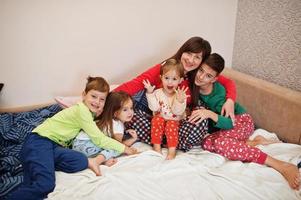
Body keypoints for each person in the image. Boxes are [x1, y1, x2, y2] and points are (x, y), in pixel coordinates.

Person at [7, 77, 137, 200]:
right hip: (40, 141)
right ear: (83, 94)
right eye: (93, 96)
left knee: (81, 160)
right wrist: (125, 148)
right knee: (45, 185)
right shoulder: (82, 112)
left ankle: (43, 162)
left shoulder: (89, 113)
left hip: (54, 146)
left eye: (102, 99)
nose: (97, 102)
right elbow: (99, 139)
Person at [188, 53, 300, 190]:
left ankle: (280, 165)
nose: (201, 77)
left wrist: (210, 114)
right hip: (227, 127)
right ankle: (254, 142)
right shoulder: (194, 83)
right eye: (201, 71)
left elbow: (230, 123)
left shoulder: (218, 96)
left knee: (220, 143)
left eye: (208, 76)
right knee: (206, 142)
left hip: (241, 121)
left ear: (215, 79)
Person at [114, 36, 237, 151]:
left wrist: (230, 100)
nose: (190, 60)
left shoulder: (200, 74)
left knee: (200, 113)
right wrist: (109, 98)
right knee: (132, 109)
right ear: (182, 51)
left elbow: (229, 82)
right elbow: (136, 83)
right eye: (188, 53)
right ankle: (167, 141)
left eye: (197, 57)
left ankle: (164, 140)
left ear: (202, 62)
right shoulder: (166, 67)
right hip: (157, 116)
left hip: (178, 121)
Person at [72, 91, 138, 166]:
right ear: (115, 113)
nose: (130, 112)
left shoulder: (104, 120)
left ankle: (99, 159)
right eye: (125, 110)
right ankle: (99, 160)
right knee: (116, 149)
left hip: (76, 145)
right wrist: (132, 140)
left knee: (109, 145)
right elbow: (119, 146)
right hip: (86, 145)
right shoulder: (117, 125)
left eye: (131, 108)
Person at [143, 59, 187, 159]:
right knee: (156, 119)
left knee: (171, 124)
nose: (170, 82)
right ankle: (156, 146)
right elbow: (154, 108)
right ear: (161, 78)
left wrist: (179, 101)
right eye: (166, 78)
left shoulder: (180, 95)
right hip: (160, 120)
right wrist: (150, 94)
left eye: (174, 79)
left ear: (180, 80)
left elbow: (177, 112)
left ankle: (172, 151)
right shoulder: (157, 93)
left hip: (174, 122)